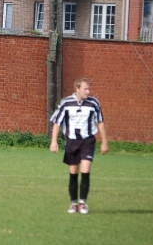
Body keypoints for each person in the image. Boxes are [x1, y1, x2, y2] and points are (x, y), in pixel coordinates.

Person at [50, 77, 108, 215]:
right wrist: (54, 141)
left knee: (85, 170)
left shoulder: (94, 103)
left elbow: (100, 122)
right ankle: (73, 204)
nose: (88, 91)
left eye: (89, 89)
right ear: (77, 89)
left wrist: (105, 142)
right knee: (74, 171)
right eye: (85, 89)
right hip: (72, 142)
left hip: (88, 141)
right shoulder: (66, 103)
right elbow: (57, 123)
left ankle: (82, 203)